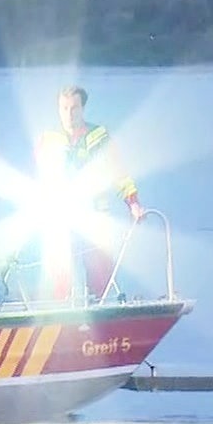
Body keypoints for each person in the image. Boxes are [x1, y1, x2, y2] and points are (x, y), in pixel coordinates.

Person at [36, 85, 147, 302]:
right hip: (60, 217)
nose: (69, 114)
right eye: (64, 108)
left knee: (100, 273)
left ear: (83, 108)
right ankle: (61, 316)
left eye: (74, 108)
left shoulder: (99, 136)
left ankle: (101, 312)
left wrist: (133, 204)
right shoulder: (47, 140)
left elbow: (119, 174)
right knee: (60, 275)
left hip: (95, 216)